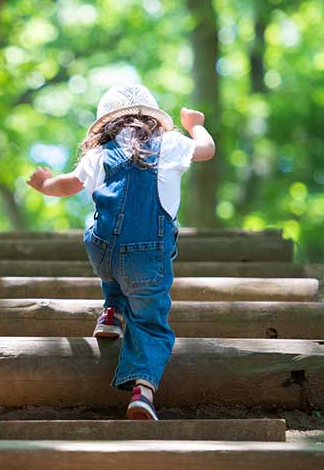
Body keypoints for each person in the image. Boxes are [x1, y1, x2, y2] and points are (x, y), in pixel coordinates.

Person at [26, 83, 215, 420]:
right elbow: (206, 149)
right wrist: (194, 124)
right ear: (154, 122)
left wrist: (42, 185)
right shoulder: (170, 144)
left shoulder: (99, 154)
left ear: (107, 125)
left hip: (103, 253)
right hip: (148, 258)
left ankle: (111, 313)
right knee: (150, 323)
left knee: (109, 248)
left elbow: (68, 184)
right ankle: (142, 390)